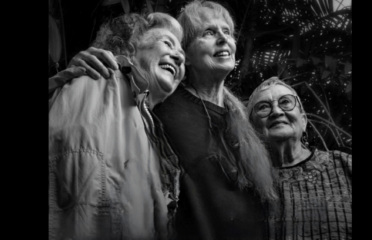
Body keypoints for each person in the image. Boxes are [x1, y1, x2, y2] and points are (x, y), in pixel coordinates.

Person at [51, 1, 278, 239]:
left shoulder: (242, 119)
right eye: (209, 32)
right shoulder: (160, 103)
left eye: (228, 32)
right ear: (188, 54)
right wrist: (81, 67)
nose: (223, 39)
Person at [49, 12, 185, 240]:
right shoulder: (99, 82)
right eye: (167, 42)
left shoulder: (148, 126)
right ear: (130, 46)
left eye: (181, 54)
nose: (179, 58)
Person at [247, 77, 352, 240]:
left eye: (285, 102)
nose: (276, 111)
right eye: (263, 107)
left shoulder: (345, 165)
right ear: (252, 129)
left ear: (303, 121)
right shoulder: (244, 183)